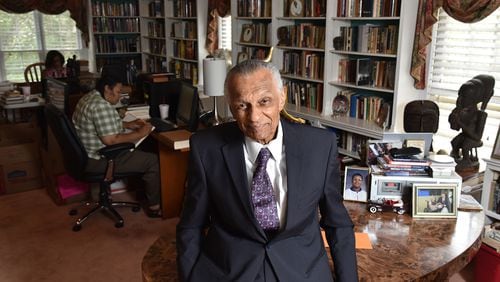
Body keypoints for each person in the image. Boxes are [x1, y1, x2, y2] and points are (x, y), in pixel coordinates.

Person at [176, 60, 358, 281]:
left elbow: (337, 223)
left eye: (264, 101)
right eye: (242, 106)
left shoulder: (320, 146)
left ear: (282, 97)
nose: (254, 117)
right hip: (229, 271)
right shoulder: (206, 148)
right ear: (231, 105)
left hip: (302, 271)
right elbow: (191, 225)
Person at [72, 75, 161, 217]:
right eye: (118, 92)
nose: (119, 96)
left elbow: (100, 125)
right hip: (100, 159)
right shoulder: (100, 106)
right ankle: (154, 207)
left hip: (84, 156)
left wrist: (127, 124)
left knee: (143, 150)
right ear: (107, 88)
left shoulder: (89, 97)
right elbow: (112, 140)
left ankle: (144, 195)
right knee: (153, 161)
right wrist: (140, 133)